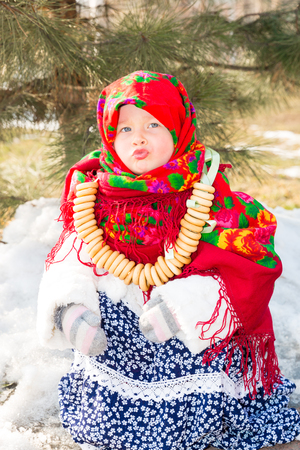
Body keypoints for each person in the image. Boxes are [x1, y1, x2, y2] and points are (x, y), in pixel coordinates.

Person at [37, 70, 300, 450]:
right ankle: (114, 408)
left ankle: (197, 416)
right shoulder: (94, 191)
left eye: (152, 124)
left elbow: (242, 264)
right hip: (119, 334)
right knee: (106, 335)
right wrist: (71, 307)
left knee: (195, 345)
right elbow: (73, 254)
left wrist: (184, 308)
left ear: (179, 128)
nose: (138, 137)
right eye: (124, 129)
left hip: (183, 328)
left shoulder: (207, 194)